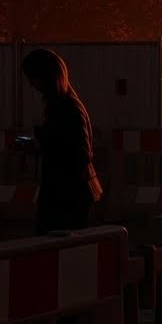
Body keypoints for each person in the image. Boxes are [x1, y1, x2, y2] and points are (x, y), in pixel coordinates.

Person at [19, 48, 103, 235]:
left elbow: (81, 154)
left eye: (33, 78)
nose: (32, 85)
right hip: (69, 193)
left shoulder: (66, 108)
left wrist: (45, 144)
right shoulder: (66, 105)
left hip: (67, 196)